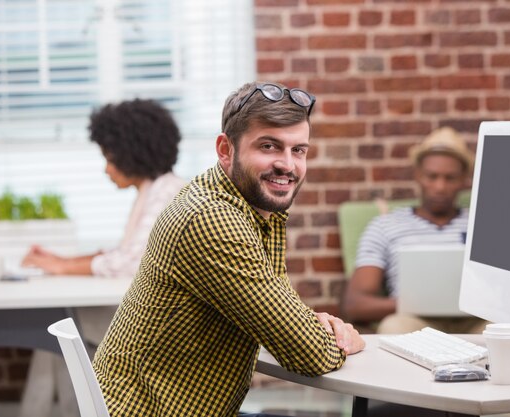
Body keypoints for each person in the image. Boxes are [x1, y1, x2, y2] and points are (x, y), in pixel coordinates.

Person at [92, 82, 365, 417]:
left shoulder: (244, 205)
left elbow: (281, 312)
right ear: (225, 149)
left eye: (299, 151)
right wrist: (347, 338)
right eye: (269, 146)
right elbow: (309, 352)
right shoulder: (213, 220)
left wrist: (307, 326)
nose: (287, 165)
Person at [19, 99, 186, 417]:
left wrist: (62, 267)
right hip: (143, 316)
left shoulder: (167, 194)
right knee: (57, 327)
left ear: (130, 152)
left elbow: (129, 263)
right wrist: (62, 261)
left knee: (55, 327)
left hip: (155, 329)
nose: (106, 168)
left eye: (109, 158)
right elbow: (126, 252)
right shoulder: (154, 190)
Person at [342, 127, 485, 335]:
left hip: (475, 321)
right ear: (418, 175)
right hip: (415, 321)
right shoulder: (385, 225)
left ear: (464, 179)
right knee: (393, 327)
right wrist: (416, 302)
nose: (439, 186)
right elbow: (355, 304)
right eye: (432, 176)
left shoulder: (482, 225)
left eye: (450, 178)